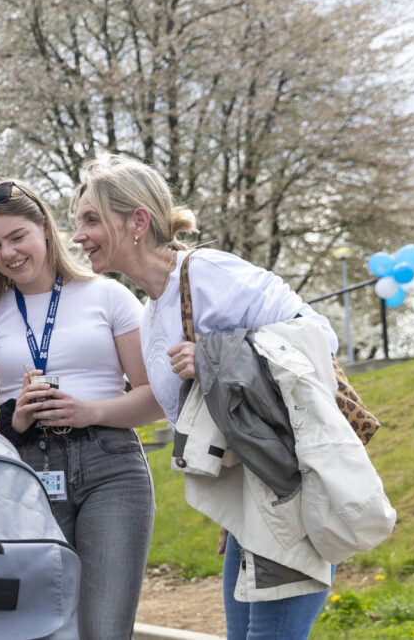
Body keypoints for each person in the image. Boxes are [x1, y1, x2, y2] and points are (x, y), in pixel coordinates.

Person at [72, 153, 341, 639]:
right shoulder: (152, 310)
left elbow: (320, 338)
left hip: (289, 491)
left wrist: (214, 358)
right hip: (248, 499)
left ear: (138, 220)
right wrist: (229, 500)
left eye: (91, 219)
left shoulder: (209, 272)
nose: (77, 236)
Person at [0, 179, 161, 639]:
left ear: (44, 229)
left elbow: (156, 398)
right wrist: (14, 419)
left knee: (103, 630)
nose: (8, 253)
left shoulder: (108, 295)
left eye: (16, 237)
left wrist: (90, 411)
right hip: (26, 474)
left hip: (112, 469)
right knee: (40, 628)